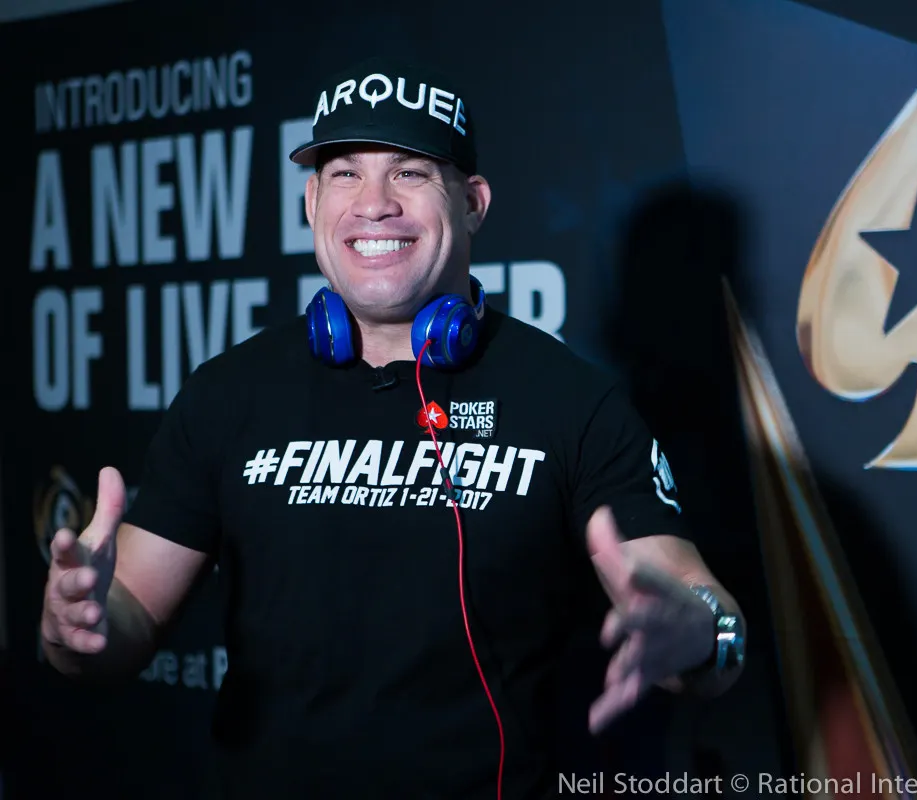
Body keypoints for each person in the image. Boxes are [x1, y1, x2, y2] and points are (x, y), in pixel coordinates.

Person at [38, 56, 746, 799]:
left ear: (472, 203)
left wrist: (700, 632)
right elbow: (124, 619)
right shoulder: (226, 393)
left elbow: (698, 601)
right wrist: (76, 623)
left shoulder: (571, 400)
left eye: (410, 172)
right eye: (345, 174)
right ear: (312, 201)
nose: (373, 205)